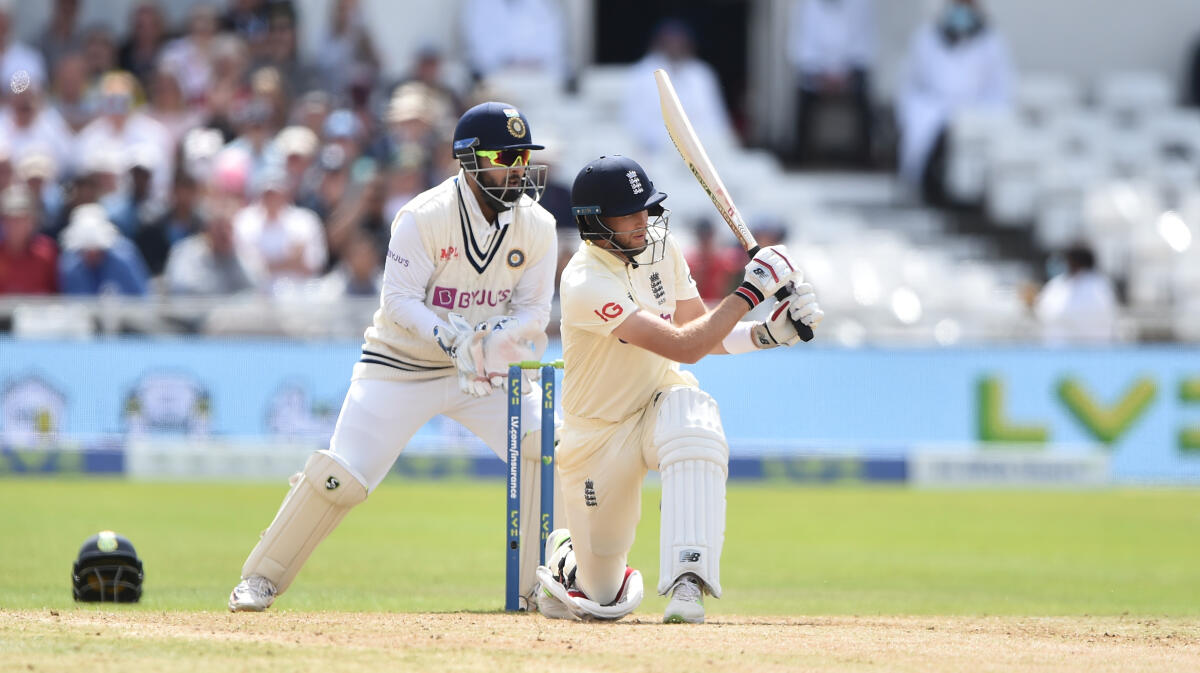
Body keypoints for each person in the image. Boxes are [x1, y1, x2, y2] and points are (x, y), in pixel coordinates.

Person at [228, 101, 559, 612]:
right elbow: (398, 302)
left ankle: (538, 587)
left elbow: (535, 311)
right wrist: (455, 342)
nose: (517, 169)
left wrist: (489, 345)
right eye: (504, 156)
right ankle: (261, 579)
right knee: (343, 477)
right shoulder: (423, 216)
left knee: (549, 449)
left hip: (487, 371)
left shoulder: (537, 224)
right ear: (469, 160)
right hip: (401, 365)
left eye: (522, 157)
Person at [536, 155, 823, 623]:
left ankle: (689, 583)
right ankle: (570, 557)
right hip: (597, 435)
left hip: (657, 399)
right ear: (594, 223)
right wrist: (750, 292)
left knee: (695, 422)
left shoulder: (659, 248)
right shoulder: (584, 280)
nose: (643, 222)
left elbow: (698, 328)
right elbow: (685, 345)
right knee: (602, 597)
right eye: (629, 215)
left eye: (646, 210)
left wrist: (766, 333)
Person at [896, 0, 1013, 204]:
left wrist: (982, 112)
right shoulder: (926, 36)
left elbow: (1003, 88)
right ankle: (926, 188)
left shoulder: (992, 41)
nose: (962, 12)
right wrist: (919, 107)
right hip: (931, 109)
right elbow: (909, 82)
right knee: (925, 139)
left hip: (976, 112)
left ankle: (967, 201)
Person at [623, 20, 736, 155]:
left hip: (702, 149)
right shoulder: (640, 75)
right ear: (659, 44)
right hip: (657, 151)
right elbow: (635, 124)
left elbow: (716, 119)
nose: (675, 46)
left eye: (680, 42)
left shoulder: (701, 74)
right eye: (670, 41)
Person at [788, 0, 876, 165]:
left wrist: (845, 74)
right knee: (801, 96)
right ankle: (800, 156)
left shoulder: (861, 4)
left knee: (866, 94)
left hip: (849, 73)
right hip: (816, 73)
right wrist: (822, 75)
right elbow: (801, 47)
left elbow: (864, 44)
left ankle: (865, 156)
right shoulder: (806, 5)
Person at [57, 203, 149, 296]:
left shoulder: (124, 259)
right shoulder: (70, 266)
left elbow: (141, 296)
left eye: (95, 250)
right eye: (86, 251)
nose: (91, 254)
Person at [1033, 245, 1117, 345]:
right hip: (1095, 351)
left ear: (1073, 262)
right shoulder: (1103, 284)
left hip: (1070, 352)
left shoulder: (1084, 286)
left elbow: (1052, 313)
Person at [0, 185, 57, 294]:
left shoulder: (47, 252)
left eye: (22, 218)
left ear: (32, 221)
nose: (16, 224)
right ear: (3, 221)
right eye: (11, 218)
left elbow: (56, 294)